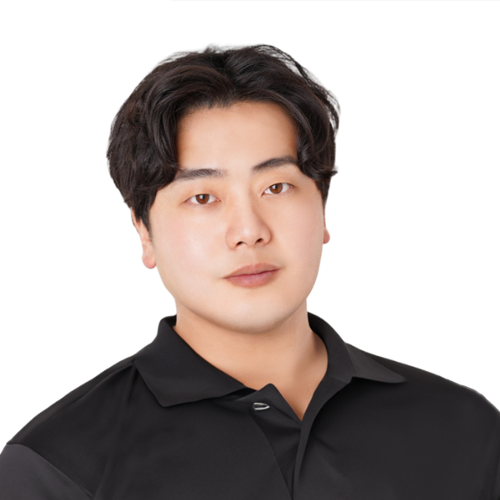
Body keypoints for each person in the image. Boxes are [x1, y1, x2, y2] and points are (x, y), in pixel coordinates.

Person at [0, 44, 498, 499]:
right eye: (203, 197)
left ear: (323, 208)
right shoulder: (59, 466)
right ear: (144, 231)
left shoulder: (463, 427)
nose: (248, 231)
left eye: (276, 188)